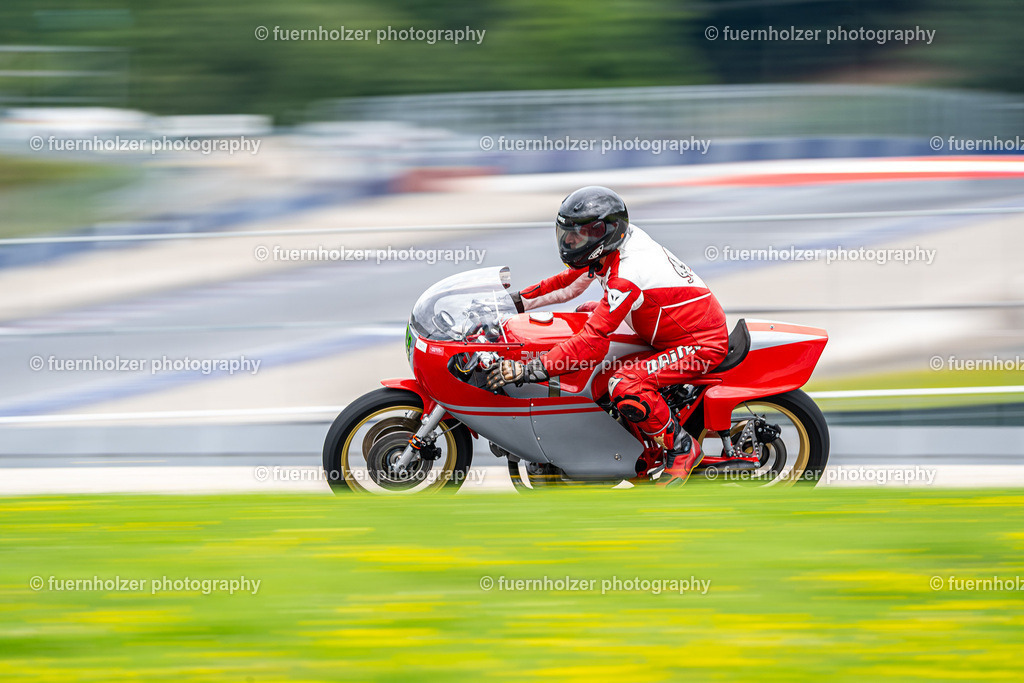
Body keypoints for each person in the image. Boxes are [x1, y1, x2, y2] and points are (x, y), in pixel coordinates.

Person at [486, 186, 729, 486]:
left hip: (698, 342)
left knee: (625, 384)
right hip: (656, 328)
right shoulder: (615, 245)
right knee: (583, 314)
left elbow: (591, 344)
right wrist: (514, 302)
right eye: (568, 231)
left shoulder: (628, 273)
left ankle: (681, 447)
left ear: (607, 232)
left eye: (583, 232)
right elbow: (568, 284)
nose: (571, 240)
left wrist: (530, 369)